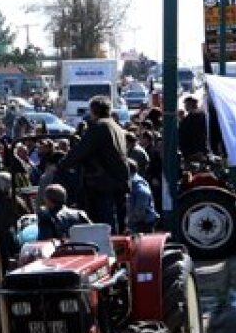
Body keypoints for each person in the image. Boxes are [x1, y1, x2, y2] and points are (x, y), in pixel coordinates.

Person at [57, 95, 130, 233]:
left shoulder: (99, 127)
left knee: (104, 227)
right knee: (118, 223)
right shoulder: (116, 127)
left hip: (103, 183)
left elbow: (81, 151)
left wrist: (61, 165)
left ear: (93, 111)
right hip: (119, 182)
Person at [126, 159, 160, 234]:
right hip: (140, 222)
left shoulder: (136, 181)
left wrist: (137, 217)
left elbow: (143, 194)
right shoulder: (132, 180)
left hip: (142, 224)